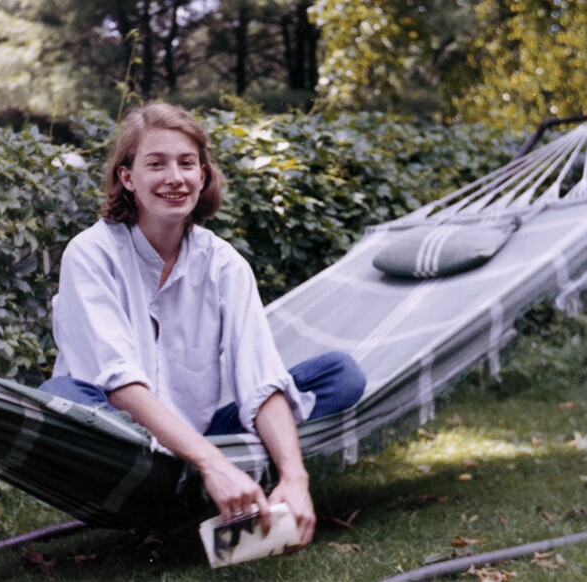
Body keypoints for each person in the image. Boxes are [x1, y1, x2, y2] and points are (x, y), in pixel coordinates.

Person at [40, 102, 365, 550]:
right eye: (156, 164)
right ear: (127, 178)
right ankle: (184, 486)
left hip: (198, 434)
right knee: (58, 399)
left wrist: (295, 477)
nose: (175, 177)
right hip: (119, 437)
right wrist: (213, 464)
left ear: (203, 176)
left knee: (340, 374)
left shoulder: (225, 264)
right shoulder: (91, 253)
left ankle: (195, 493)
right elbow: (118, 383)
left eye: (187, 163)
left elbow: (259, 377)